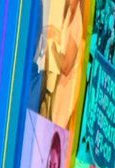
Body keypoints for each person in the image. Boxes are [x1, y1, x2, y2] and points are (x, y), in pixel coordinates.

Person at [49, 0, 85, 130]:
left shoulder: (77, 22)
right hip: (60, 87)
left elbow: (66, 66)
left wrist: (53, 49)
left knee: (58, 131)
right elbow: (66, 43)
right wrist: (55, 34)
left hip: (68, 92)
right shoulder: (70, 11)